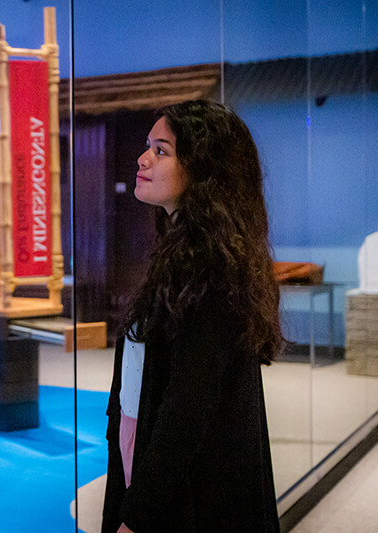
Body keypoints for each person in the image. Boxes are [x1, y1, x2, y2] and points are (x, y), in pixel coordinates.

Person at [102, 100, 282, 533]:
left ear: (203, 170)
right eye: (148, 147)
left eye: (161, 151)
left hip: (191, 492)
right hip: (144, 451)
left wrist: (136, 516)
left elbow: (187, 410)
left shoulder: (211, 270)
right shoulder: (182, 255)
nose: (143, 159)